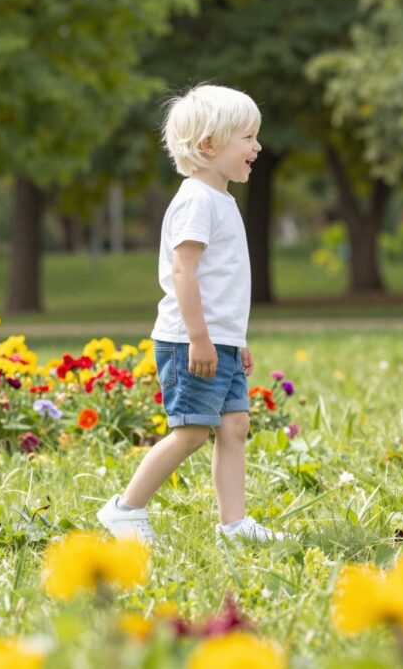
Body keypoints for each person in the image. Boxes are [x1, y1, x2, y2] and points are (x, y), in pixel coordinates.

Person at [97, 84, 284, 544]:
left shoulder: (221, 199)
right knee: (192, 432)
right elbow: (184, 271)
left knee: (235, 426)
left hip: (218, 341)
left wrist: (234, 339)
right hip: (189, 341)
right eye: (248, 137)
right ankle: (125, 509)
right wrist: (200, 338)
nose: (258, 147)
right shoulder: (197, 200)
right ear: (209, 145)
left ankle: (234, 525)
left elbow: (223, 282)